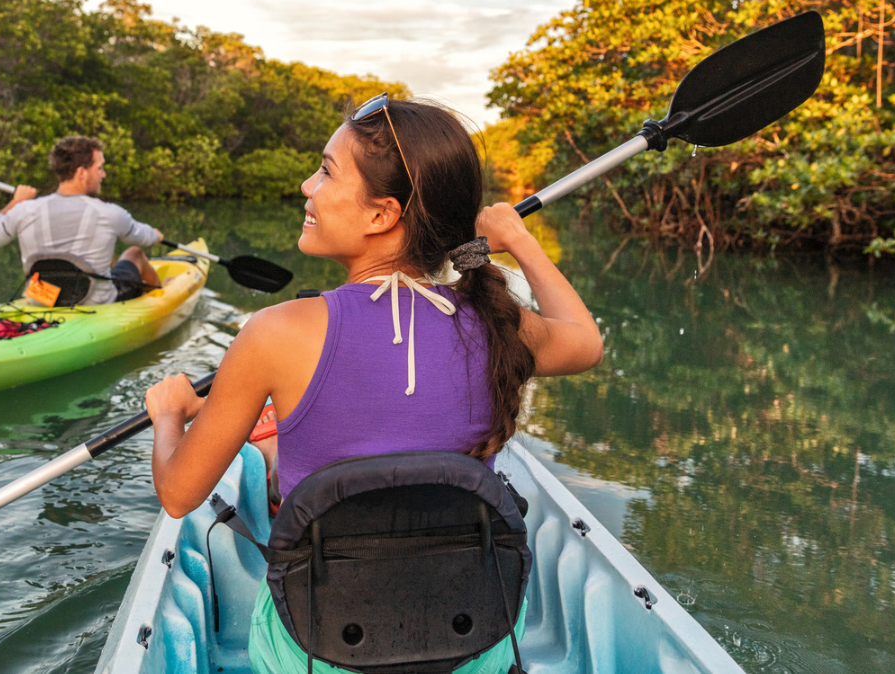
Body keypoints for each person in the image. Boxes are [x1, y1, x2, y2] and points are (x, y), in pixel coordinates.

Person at [143, 96, 604, 674]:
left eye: (326, 171)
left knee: (271, 456)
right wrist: (518, 239)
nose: (307, 186)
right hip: (471, 647)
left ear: (382, 214)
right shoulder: (498, 323)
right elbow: (586, 341)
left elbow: (179, 494)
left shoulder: (274, 332)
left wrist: (169, 414)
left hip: (318, 653)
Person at [0, 136, 163, 304]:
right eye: (99, 168)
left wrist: (15, 202)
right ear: (82, 173)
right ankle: (163, 294)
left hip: (41, 301)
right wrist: (156, 235)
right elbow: (145, 238)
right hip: (96, 303)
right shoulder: (110, 213)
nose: (103, 174)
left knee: (109, 255)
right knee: (135, 254)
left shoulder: (25, 210)